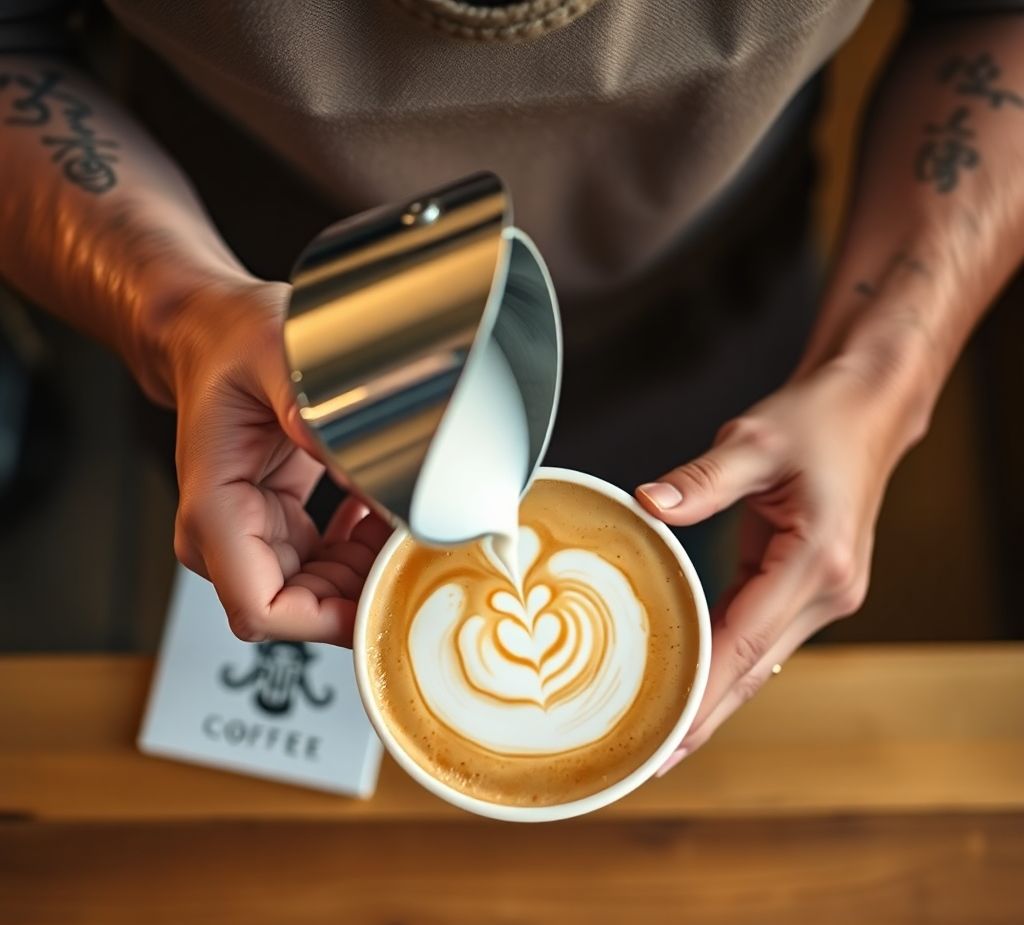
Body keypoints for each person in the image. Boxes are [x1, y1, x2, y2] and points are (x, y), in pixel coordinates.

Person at [0, 1, 1021, 773]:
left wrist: (883, 371)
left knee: (689, 549)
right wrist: (177, 310)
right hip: (265, 385)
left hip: (709, 353)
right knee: (274, 596)